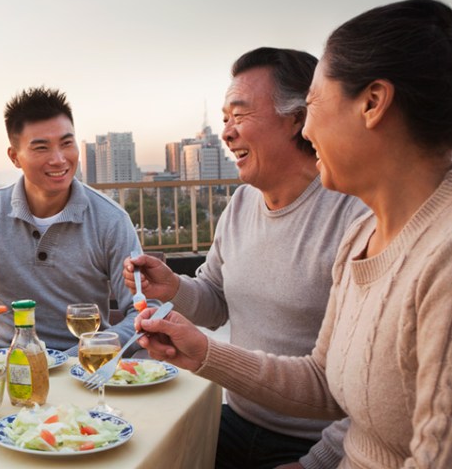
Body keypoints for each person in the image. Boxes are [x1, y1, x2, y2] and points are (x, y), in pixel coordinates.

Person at [134, 0, 452, 468]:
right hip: (245, 418)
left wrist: (315, 462)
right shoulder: (365, 234)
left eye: (315, 103)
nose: (310, 126)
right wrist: (202, 346)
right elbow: (329, 382)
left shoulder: (431, 257)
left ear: (372, 103)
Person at [125, 47, 367, 469]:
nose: (227, 132)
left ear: (298, 118)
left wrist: (319, 462)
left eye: (240, 115)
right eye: (224, 119)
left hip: (313, 442)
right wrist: (175, 287)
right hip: (234, 416)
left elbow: (371, 384)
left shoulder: (356, 215)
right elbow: (217, 301)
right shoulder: (239, 204)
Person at [0, 87, 142, 354]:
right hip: (6, 364)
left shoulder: (111, 220)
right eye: (41, 147)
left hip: (83, 367)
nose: (59, 159)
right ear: (15, 157)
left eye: (66, 143)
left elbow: (143, 312)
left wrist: (81, 354)